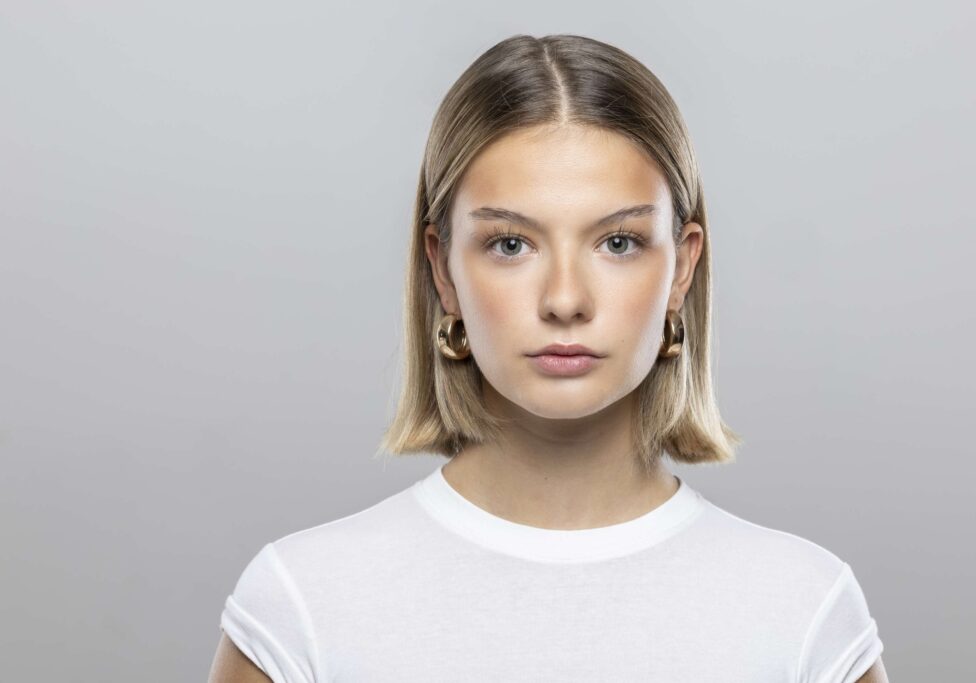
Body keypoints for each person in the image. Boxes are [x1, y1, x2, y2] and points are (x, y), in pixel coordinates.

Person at [208, 33, 888, 683]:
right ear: (443, 270)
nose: (565, 299)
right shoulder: (303, 606)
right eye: (511, 244)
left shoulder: (803, 610)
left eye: (617, 242)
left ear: (681, 267)